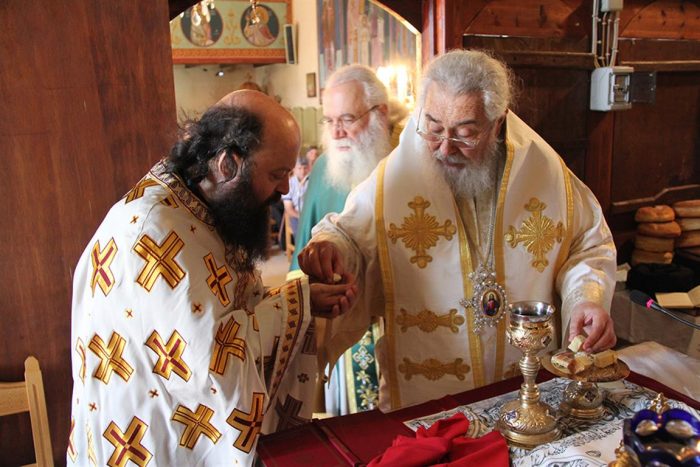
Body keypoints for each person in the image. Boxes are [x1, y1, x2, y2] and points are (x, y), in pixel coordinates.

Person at [298, 50, 617, 411]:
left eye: (465, 134)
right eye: (433, 128)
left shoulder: (544, 171)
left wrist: (586, 299)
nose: (445, 148)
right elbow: (352, 236)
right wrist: (331, 246)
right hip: (426, 401)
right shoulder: (396, 177)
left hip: (528, 395)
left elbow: (587, 244)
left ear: (498, 122)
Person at [68, 90, 356, 465]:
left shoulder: (202, 207)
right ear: (227, 164)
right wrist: (297, 304)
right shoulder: (155, 234)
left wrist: (302, 299)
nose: (285, 189)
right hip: (149, 444)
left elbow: (226, 313)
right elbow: (207, 367)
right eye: (276, 174)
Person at [290, 64, 405, 415]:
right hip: (345, 314)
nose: (337, 131)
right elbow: (306, 244)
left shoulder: (408, 161)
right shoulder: (324, 168)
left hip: (403, 312)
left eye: (347, 119)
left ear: (379, 113)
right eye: (329, 120)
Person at [281, 155, 310, 240]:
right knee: (302, 237)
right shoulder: (289, 184)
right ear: (294, 169)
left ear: (309, 168)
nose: (303, 171)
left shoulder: (311, 181)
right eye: (299, 168)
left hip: (309, 213)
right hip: (296, 215)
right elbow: (289, 209)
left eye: (305, 168)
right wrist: (302, 216)